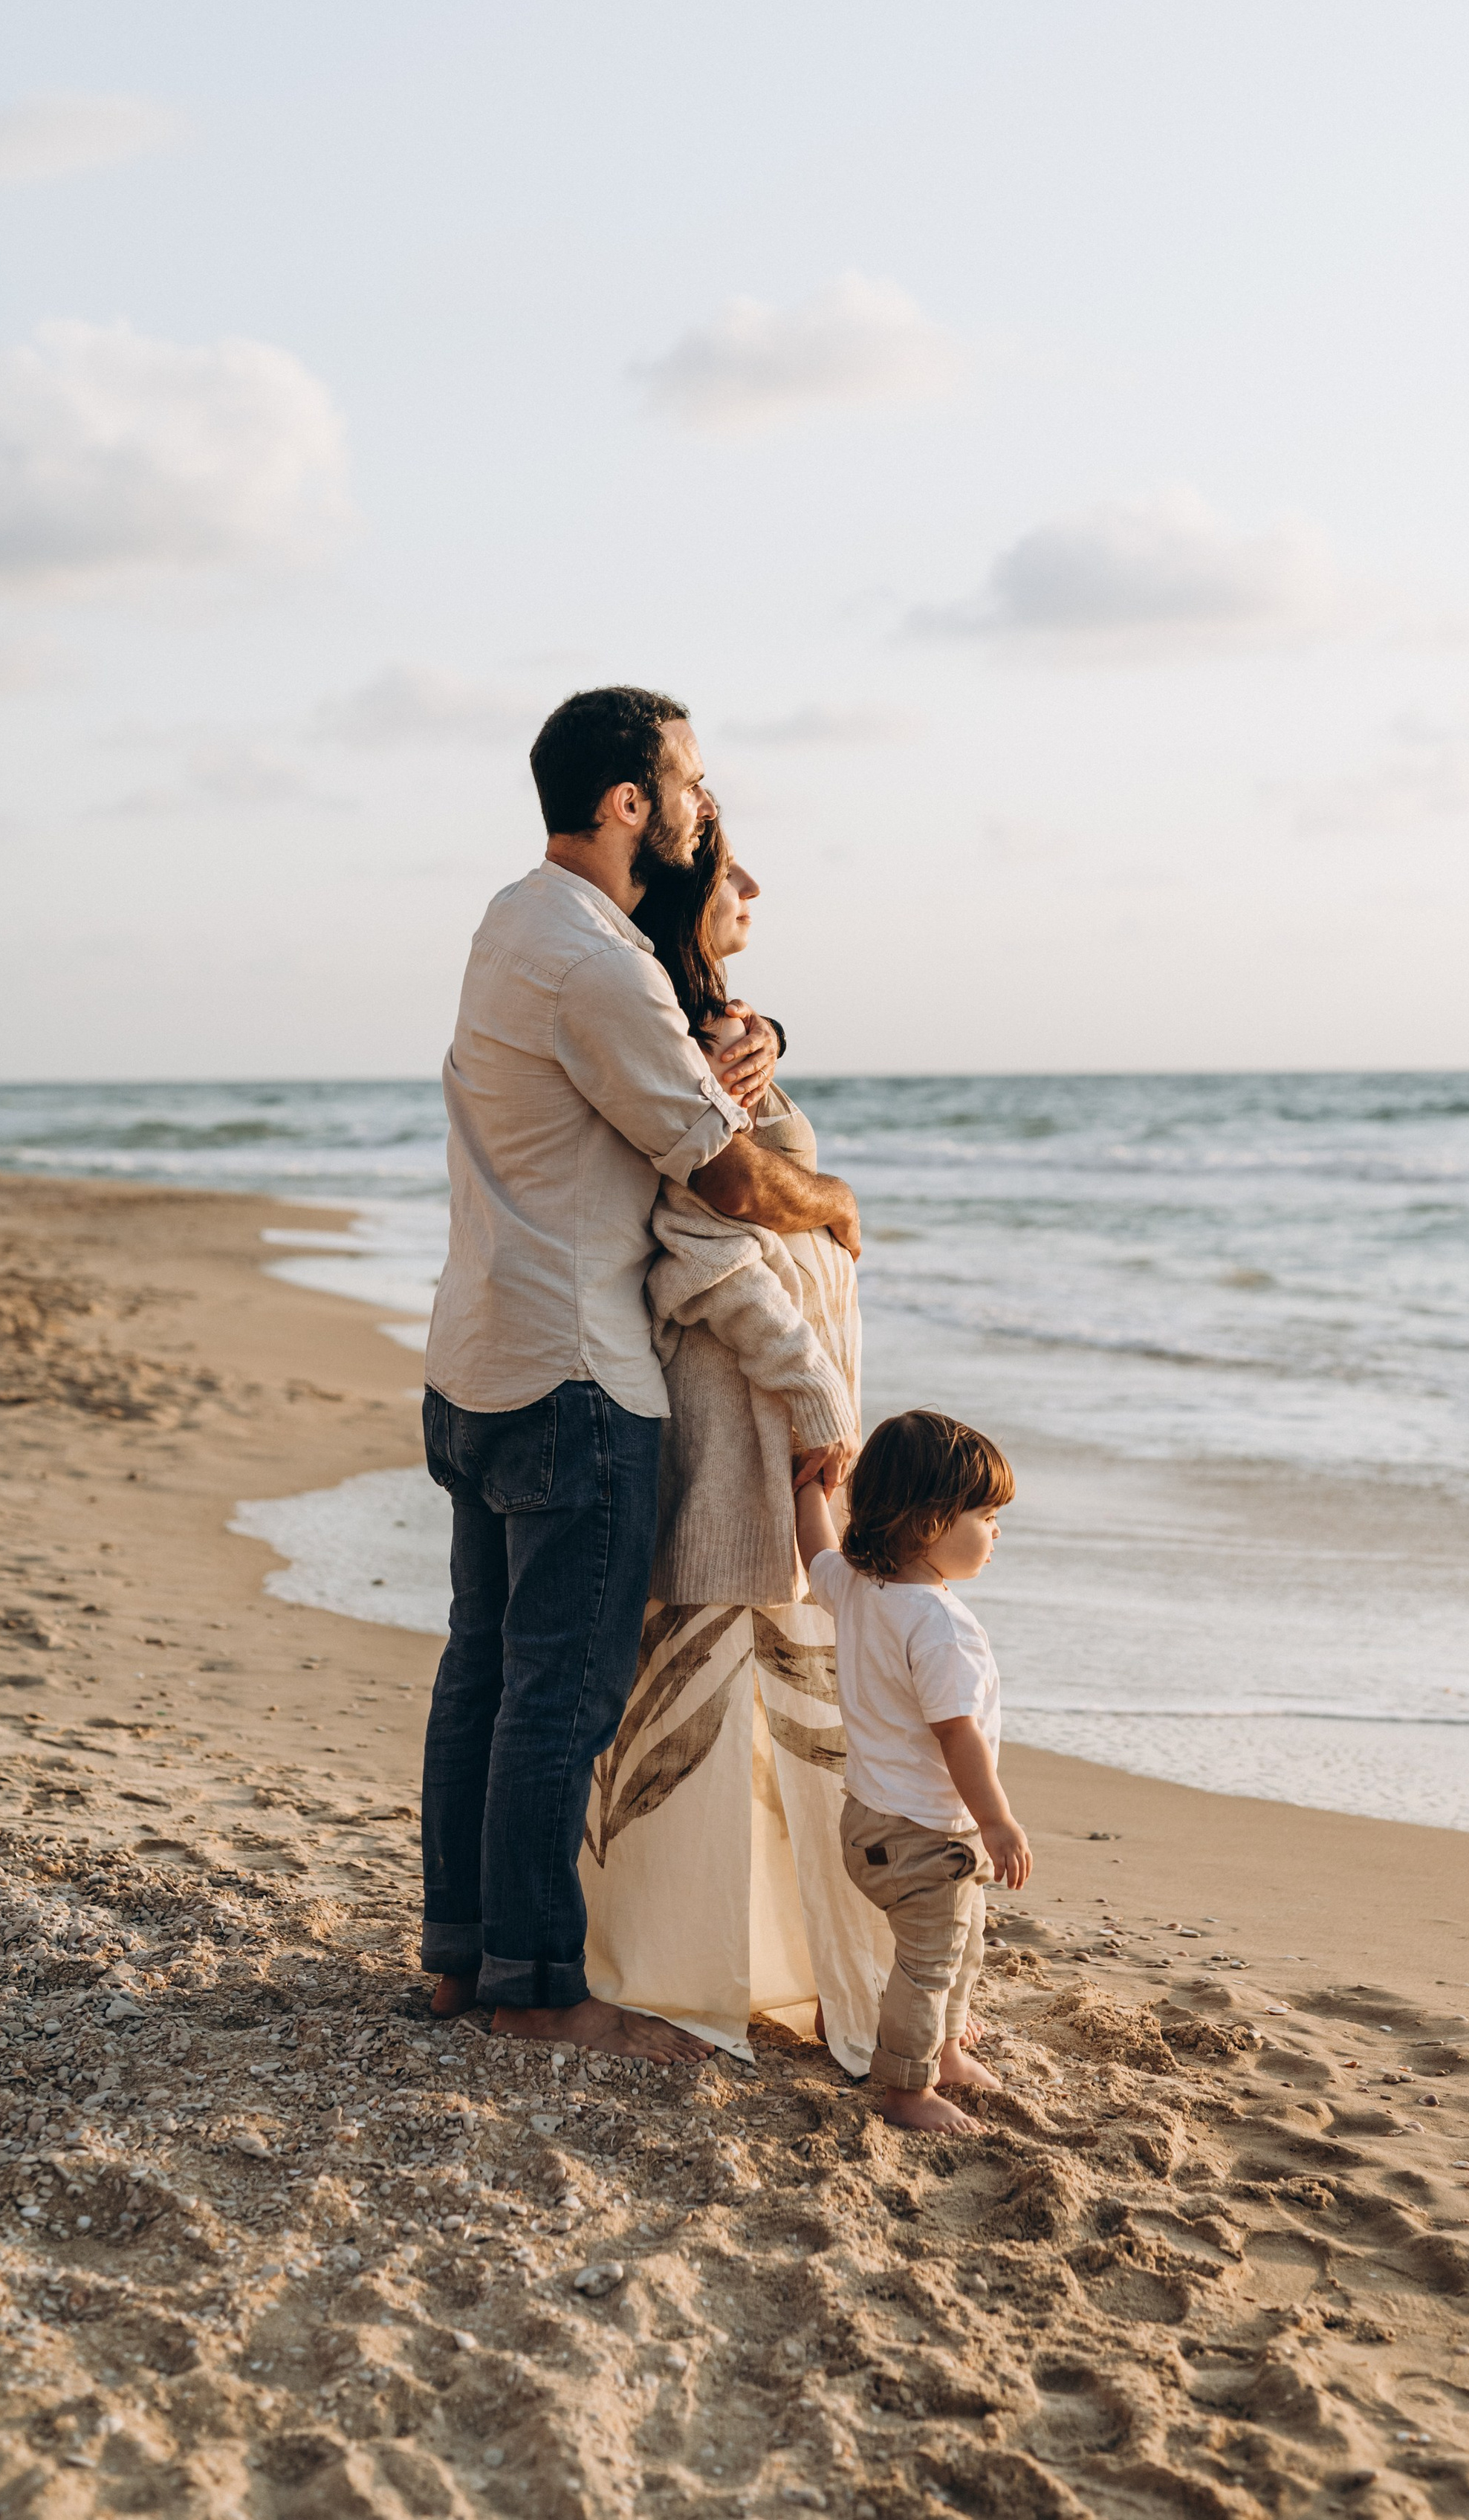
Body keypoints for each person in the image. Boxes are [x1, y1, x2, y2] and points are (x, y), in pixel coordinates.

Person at [418, 684, 861, 2062]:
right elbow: (724, 1174)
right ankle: (543, 1990)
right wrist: (835, 1201)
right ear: (629, 805)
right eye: (688, 780)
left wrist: (750, 1039)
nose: (699, 801)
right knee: (562, 1692)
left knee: (483, 1676)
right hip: (577, 1374)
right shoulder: (598, 963)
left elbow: (672, 1062)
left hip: (475, 1357)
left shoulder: (519, 921)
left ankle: (461, 1961)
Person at [579, 822, 894, 2071]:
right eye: (733, 876)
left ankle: (791, 1971)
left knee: (786, 1694)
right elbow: (704, 1249)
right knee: (734, 1699)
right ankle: (693, 1980)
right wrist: (815, 1396)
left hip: (769, 1416)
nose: (755, 889)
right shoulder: (702, 1048)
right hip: (744, 1421)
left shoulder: (725, 1031)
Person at [794, 1409, 1031, 2132]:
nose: (996, 1531)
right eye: (985, 1515)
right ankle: (906, 2089)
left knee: (961, 1938)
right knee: (928, 1963)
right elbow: (957, 1735)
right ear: (930, 1524)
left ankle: (949, 2048)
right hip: (927, 1834)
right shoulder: (937, 1623)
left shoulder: (860, 1588)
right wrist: (996, 1820)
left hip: (870, 1822)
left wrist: (809, 1487)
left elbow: (817, 1555)